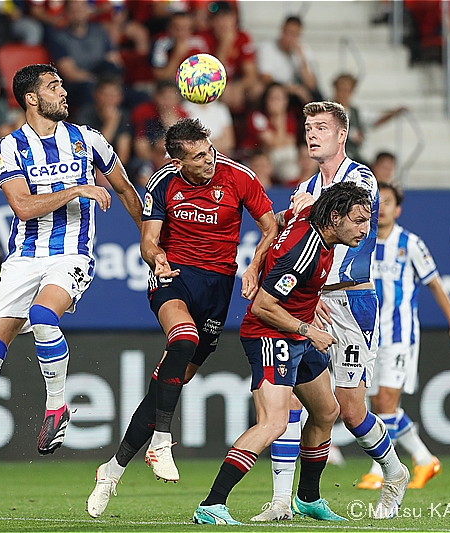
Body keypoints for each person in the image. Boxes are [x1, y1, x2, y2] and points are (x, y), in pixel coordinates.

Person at [0, 63, 143, 481]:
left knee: (44, 316)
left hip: (72, 254)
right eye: (54, 86)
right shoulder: (9, 147)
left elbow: (123, 187)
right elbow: (23, 207)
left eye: (62, 84)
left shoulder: (89, 139)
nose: (63, 91)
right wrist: (78, 188)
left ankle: (56, 406)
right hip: (23, 259)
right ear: (32, 99)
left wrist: (150, 241)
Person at [86, 118, 278, 518]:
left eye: (208, 152)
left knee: (167, 384)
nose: (208, 162)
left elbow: (270, 226)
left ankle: (112, 469)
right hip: (175, 277)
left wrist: (255, 265)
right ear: (177, 162)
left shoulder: (238, 176)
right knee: (183, 338)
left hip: (218, 289)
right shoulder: (162, 183)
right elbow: (149, 239)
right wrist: (156, 258)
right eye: (197, 158)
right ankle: (161, 440)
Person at [262, 101, 410, 521]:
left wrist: (294, 209)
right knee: (286, 397)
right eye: (308, 127)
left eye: (322, 127)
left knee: (350, 410)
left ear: (341, 135)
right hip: (309, 303)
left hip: (349, 303)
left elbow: (335, 222)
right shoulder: (305, 186)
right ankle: (280, 503)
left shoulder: (359, 177)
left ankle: (394, 473)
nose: (312, 134)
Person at [193, 182, 373, 525]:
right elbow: (262, 306)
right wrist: (308, 331)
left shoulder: (312, 216)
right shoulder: (304, 251)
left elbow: (275, 221)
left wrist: (256, 263)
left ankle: (308, 498)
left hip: (296, 330)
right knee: (274, 422)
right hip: (271, 334)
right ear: (335, 218)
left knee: (326, 411)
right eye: (359, 220)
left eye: (367, 221)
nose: (364, 229)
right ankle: (212, 504)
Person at [357, 183, 450, 491]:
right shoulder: (359, 241)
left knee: (387, 404)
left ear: (398, 209)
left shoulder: (411, 243)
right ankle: (424, 458)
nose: (383, 207)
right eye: (378, 202)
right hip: (368, 335)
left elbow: (434, 283)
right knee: (378, 404)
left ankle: (380, 471)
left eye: (388, 202)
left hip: (400, 334)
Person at [257, 16, 321, 107]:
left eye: (294, 34)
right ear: (282, 30)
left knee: (316, 96)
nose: (290, 37)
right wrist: (292, 89)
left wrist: (302, 59)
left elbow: (312, 85)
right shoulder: (268, 47)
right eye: (288, 32)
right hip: (278, 89)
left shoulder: (303, 50)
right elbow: (266, 78)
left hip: (296, 91)